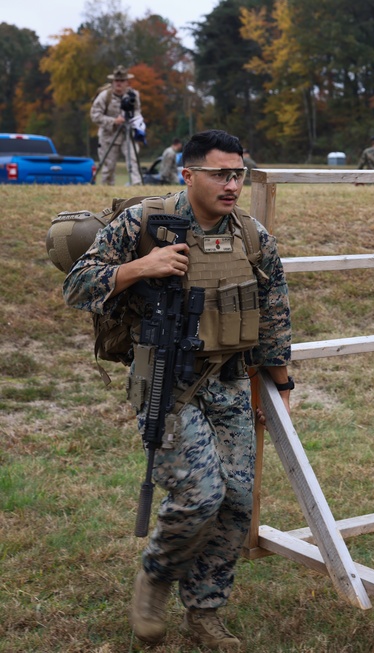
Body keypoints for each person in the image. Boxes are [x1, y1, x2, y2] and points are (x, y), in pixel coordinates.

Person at [63, 129, 293, 649]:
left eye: (238, 174)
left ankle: (205, 612)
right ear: (187, 174)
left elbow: (275, 309)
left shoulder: (252, 236)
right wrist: (140, 267)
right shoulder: (145, 223)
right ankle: (156, 577)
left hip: (230, 379)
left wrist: (281, 382)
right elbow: (76, 285)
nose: (231, 184)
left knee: (236, 500)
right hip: (168, 379)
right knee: (199, 494)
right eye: (220, 174)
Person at [90, 65, 143, 186]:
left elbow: (137, 112)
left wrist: (137, 124)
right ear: (113, 82)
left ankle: (137, 186)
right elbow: (94, 115)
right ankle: (107, 190)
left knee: (133, 160)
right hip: (109, 136)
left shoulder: (133, 96)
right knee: (109, 167)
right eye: (117, 81)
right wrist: (113, 121)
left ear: (127, 82)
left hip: (128, 134)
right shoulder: (105, 96)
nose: (119, 83)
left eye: (122, 81)